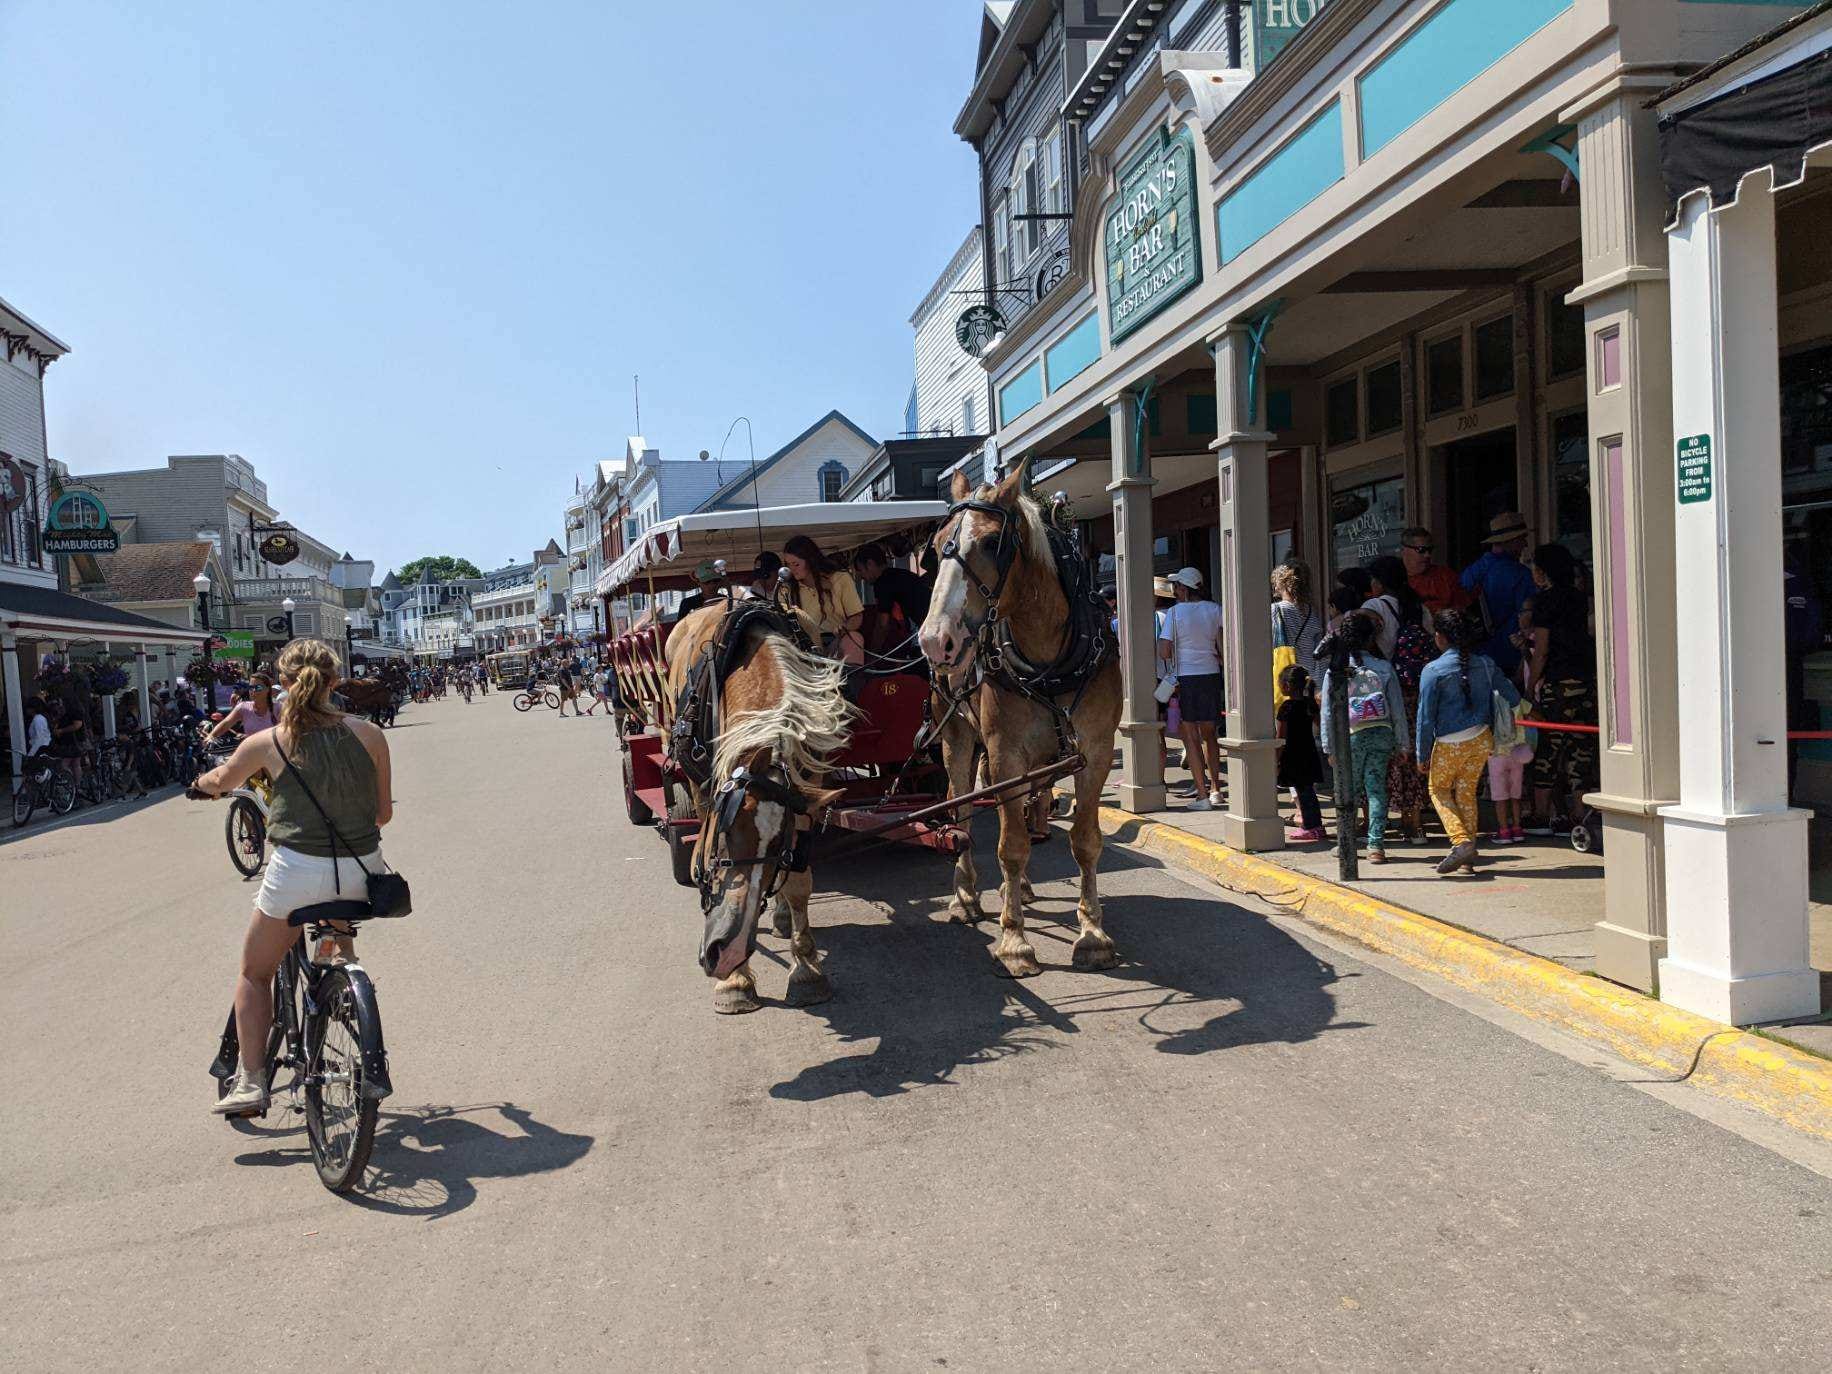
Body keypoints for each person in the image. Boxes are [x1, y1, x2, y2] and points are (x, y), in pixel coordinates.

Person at [193, 637, 394, 1116]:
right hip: (361, 872)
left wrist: (199, 786)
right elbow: (382, 815)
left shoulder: (267, 741)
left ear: (284, 685)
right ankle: (343, 986)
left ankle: (251, 1080)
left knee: (254, 972)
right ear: (335, 681)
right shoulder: (369, 734)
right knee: (337, 939)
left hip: (297, 875)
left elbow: (221, 781)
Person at [1416, 607, 1519, 876]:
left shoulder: (1432, 670)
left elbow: (1425, 719)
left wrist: (1421, 754)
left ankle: (1460, 842)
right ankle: (1468, 859)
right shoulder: (1486, 664)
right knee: (1466, 793)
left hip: (1449, 742)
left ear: (1439, 637)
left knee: (1438, 790)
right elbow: (1512, 696)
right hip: (1481, 738)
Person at [1521, 542, 1597, 837]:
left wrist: (1530, 687)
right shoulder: (1579, 599)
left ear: (1543, 571)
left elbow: (1541, 649)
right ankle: (1581, 812)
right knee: (1581, 747)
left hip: (1559, 682)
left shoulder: (1544, 602)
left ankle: (1541, 815)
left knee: (1550, 746)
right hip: (1585, 682)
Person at [1320, 611, 1408, 863]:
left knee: (1348, 790)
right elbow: (1397, 708)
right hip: (1381, 733)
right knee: (1376, 788)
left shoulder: (1336, 670)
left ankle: (1346, 843)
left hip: (1351, 737)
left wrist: (1329, 747)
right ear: (1371, 639)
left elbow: (1327, 711)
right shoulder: (1383, 667)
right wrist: (1403, 743)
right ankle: (1376, 846)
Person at [1158, 566, 1225, 810]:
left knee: (1191, 738)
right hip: (1210, 675)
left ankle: (1202, 795)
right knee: (1210, 735)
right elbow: (1222, 646)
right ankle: (1217, 788)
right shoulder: (1215, 609)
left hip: (1186, 677)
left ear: (1184, 588)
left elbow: (1164, 651)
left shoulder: (1175, 614)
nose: (1174, 590)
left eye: (1177, 586)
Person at [1459, 512, 1538, 677]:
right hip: (1510, 658)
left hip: (1474, 659)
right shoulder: (1521, 575)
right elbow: (1528, 620)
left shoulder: (1470, 572)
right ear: (1509, 541)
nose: (1525, 544)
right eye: (1522, 538)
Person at [783, 534, 864, 665]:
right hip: (803, 645)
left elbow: (856, 617)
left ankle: (850, 684)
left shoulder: (840, 579)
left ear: (810, 561)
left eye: (796, 564)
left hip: (837, 639)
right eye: (788, 565)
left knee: (855, 638)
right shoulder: (786, 589)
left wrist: (841, 634)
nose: (791, 569)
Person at [1275, 664, 1326, 842]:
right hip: (1309, 752)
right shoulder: (1310, 704)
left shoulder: (1286, 707)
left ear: (1287, 686)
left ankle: (1310, 827)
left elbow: (1280, 737)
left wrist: (1276, 759)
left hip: (1293, 755)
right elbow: (1320, 726)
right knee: (1309, 792)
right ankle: (1316, 826)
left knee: (1303, 793)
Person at [854, 542, 932, 629]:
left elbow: (883, 624)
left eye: (860, 570)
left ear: (870, 564)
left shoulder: (882, 583)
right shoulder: (900, 574)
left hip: (926, 625)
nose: (861, 577)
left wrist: (874, 643)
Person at [1270, 560, 1324, 680]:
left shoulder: (1276, 610)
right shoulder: (1311, 612)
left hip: (1288, 675)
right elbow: (1318, 647)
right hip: (1310, 675)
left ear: (1281, 583)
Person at [1399, 527, 1471, 618]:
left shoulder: (1445, 575)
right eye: (1421, 550)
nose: (1427, 555)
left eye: (1430, 550)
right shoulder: (1393, 579)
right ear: (1403, 551)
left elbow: (1462, 609)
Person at [203, 672, 278, 746]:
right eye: (251, 688)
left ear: (267, 689)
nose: (253, 691)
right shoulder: (243, 707)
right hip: (250, 753)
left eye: (258, 688)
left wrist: (249, 737)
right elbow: (226, 723)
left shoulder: (279, 708)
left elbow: (284, 734)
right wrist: (211, 736)